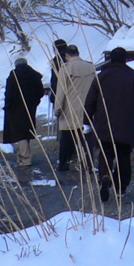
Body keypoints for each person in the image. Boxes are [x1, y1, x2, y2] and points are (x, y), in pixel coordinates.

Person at [84, 46, 134, 203]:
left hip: (104, 124)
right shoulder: (133, 76)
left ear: (111, 59)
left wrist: (86, 119)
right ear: (125, 59)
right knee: (123, 156)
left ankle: (105, 175)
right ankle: (120, 189)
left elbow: (90, 100)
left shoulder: (102, 76)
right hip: (126, 125)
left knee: (105, 153)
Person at [2, 56, 45, 187]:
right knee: (27, 129)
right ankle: (24, 155)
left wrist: (8, 105)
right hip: (30, 107)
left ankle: (24, 158)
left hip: (16, 108)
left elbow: (9, 92)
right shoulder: (34, 75)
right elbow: (40, 91)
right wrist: (34, 101)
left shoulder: (14, 75)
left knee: (19, 132)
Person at [53, 44, 95, 175]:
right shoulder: (91, 67)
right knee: (86, 140)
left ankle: (63, 164)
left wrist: (57, 110)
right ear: (78, 53)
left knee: (66, 139)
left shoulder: (65, 69)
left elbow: (61, 92)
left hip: (69, 110)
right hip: (88, 109)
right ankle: (88, 165)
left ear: (66, 56)